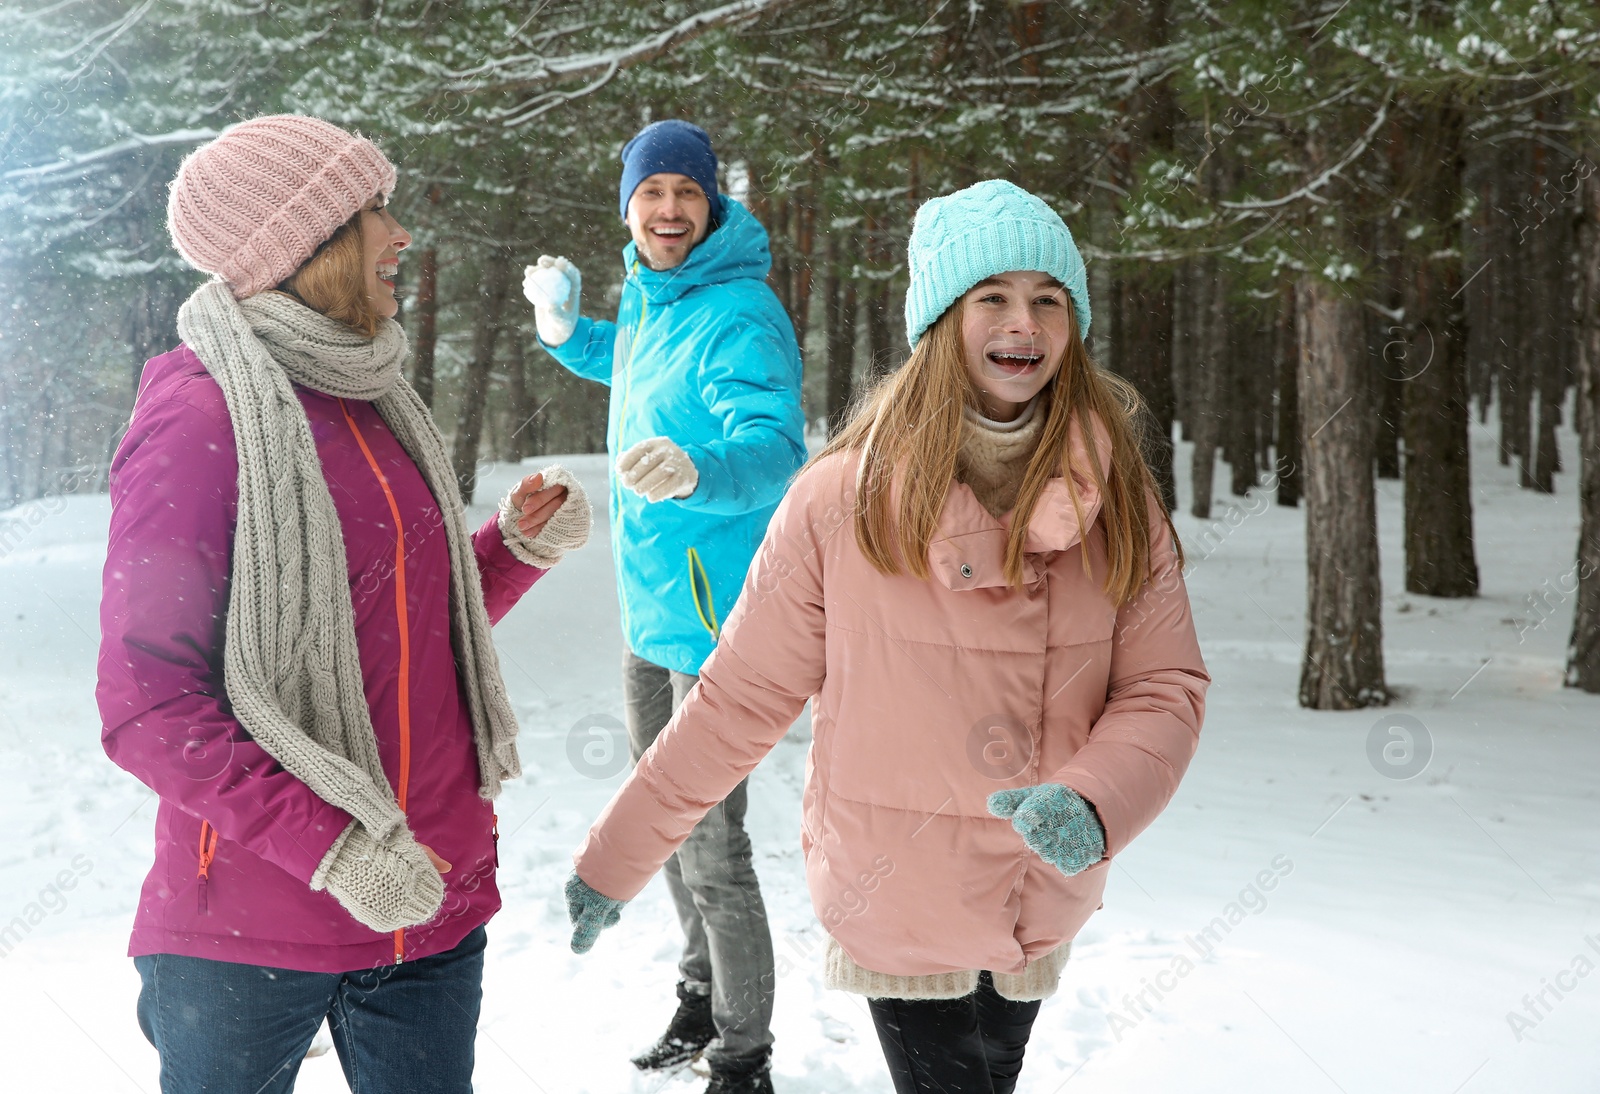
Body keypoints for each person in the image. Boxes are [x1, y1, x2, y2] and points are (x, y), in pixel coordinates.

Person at [561, 179, 1210, 1094]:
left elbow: (1165, 686)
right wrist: (616, 856)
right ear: (942, 320)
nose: (1022, 322)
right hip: (897, 898)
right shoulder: (840, 500)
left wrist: (1095, 803)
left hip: (1044, 892)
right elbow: (739, 699)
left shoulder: (1120, 497)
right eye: (992, 296)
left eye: (1048, 300)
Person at [97, 114, 591, 1094]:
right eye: (371, 211)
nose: (399, 233)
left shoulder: (373, 396)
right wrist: (332, 845)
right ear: (300, 242)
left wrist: (509, 551)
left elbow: (392, 628)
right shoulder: (199, 413)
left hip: (428, 903)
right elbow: (148, 705)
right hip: (248, 931)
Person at [523, 119, 804, 1092]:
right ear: (628, 207)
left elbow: (774, 447)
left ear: (711, 202)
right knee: (666, 827)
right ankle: (699, 992)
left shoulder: (739, 310)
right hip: (649, 616)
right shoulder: (654, 298)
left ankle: (745, 1052)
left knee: (714, 848)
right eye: (653, 194)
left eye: (687, 193)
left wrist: (699, 472)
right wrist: (564, 331)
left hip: (716, 626)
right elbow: (628, 359)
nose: (670, 210)